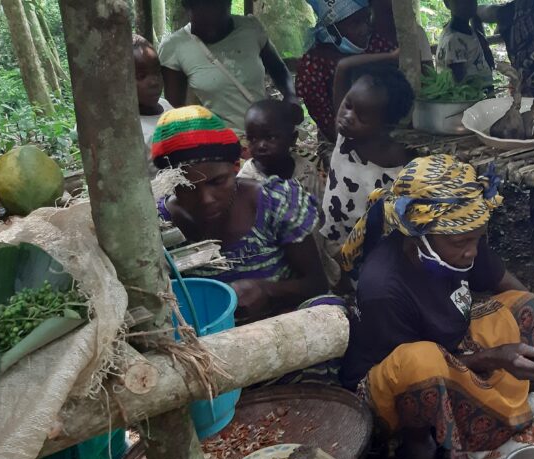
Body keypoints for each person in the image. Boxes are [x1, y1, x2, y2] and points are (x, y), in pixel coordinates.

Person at [340, 154, 534, 459]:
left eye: (477, 238)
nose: (472, 251)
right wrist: (493, 357)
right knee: (422, 361)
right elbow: (414, 372)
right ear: (418, 239)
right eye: (462, 243)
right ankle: (420, 452)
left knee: (526, 305)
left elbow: (510, 288)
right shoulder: (383, 288)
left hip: (450, 344)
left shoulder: (459, 242)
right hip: (394, 386)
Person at [150, 105, 329, 324]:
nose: (206, 199)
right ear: (169, 182)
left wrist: (268, 290)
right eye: (187, 187)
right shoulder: (158, 225)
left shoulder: (276, 203)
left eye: (217, 182)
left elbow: (317, 284)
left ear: (235, 167)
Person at [240, 99, 341, 287]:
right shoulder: (246, 182)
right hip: (273, 275)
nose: (260, 145)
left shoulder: (307, 170)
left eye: (270, 137)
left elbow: (324, 214)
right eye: (252, 139)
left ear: (292, 138)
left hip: (315, 262)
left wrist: (336, 254)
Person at [158, 0, 299, 133]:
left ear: (228, 5)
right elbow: (175, 109)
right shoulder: (174, 47)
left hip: (263, 133)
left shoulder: (250, 28)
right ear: (188, 9)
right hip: (221, 140)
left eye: (218, 22)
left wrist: (290, 96)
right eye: (202, 23)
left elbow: (278, 69)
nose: (211, 31)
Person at [320, 65, 415, 248]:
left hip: (369, 248)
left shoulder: (395, 157)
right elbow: (343, 67)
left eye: (362, 117)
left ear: (385, 125)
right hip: (332, 240)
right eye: (348, 105)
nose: (348, 116)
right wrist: (390, 56)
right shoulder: (343, 137)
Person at [296, 0, 400, 142]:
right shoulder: (312, 66)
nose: (365, 29)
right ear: (333, 29)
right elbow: (331, 128)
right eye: (355, 23)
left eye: (366, 19)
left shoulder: (374, 44)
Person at [437, 0, 495, 82]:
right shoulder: (454, 40)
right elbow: (459, 82)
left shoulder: (470, 31)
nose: (468, 3)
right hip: (472, 89)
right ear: (447, 3)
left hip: (481, 87)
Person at [134, 35, 173, 149]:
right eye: (141, 76)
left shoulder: (165, 104)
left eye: (157, 72)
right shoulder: (134, 131)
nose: (154, 82)